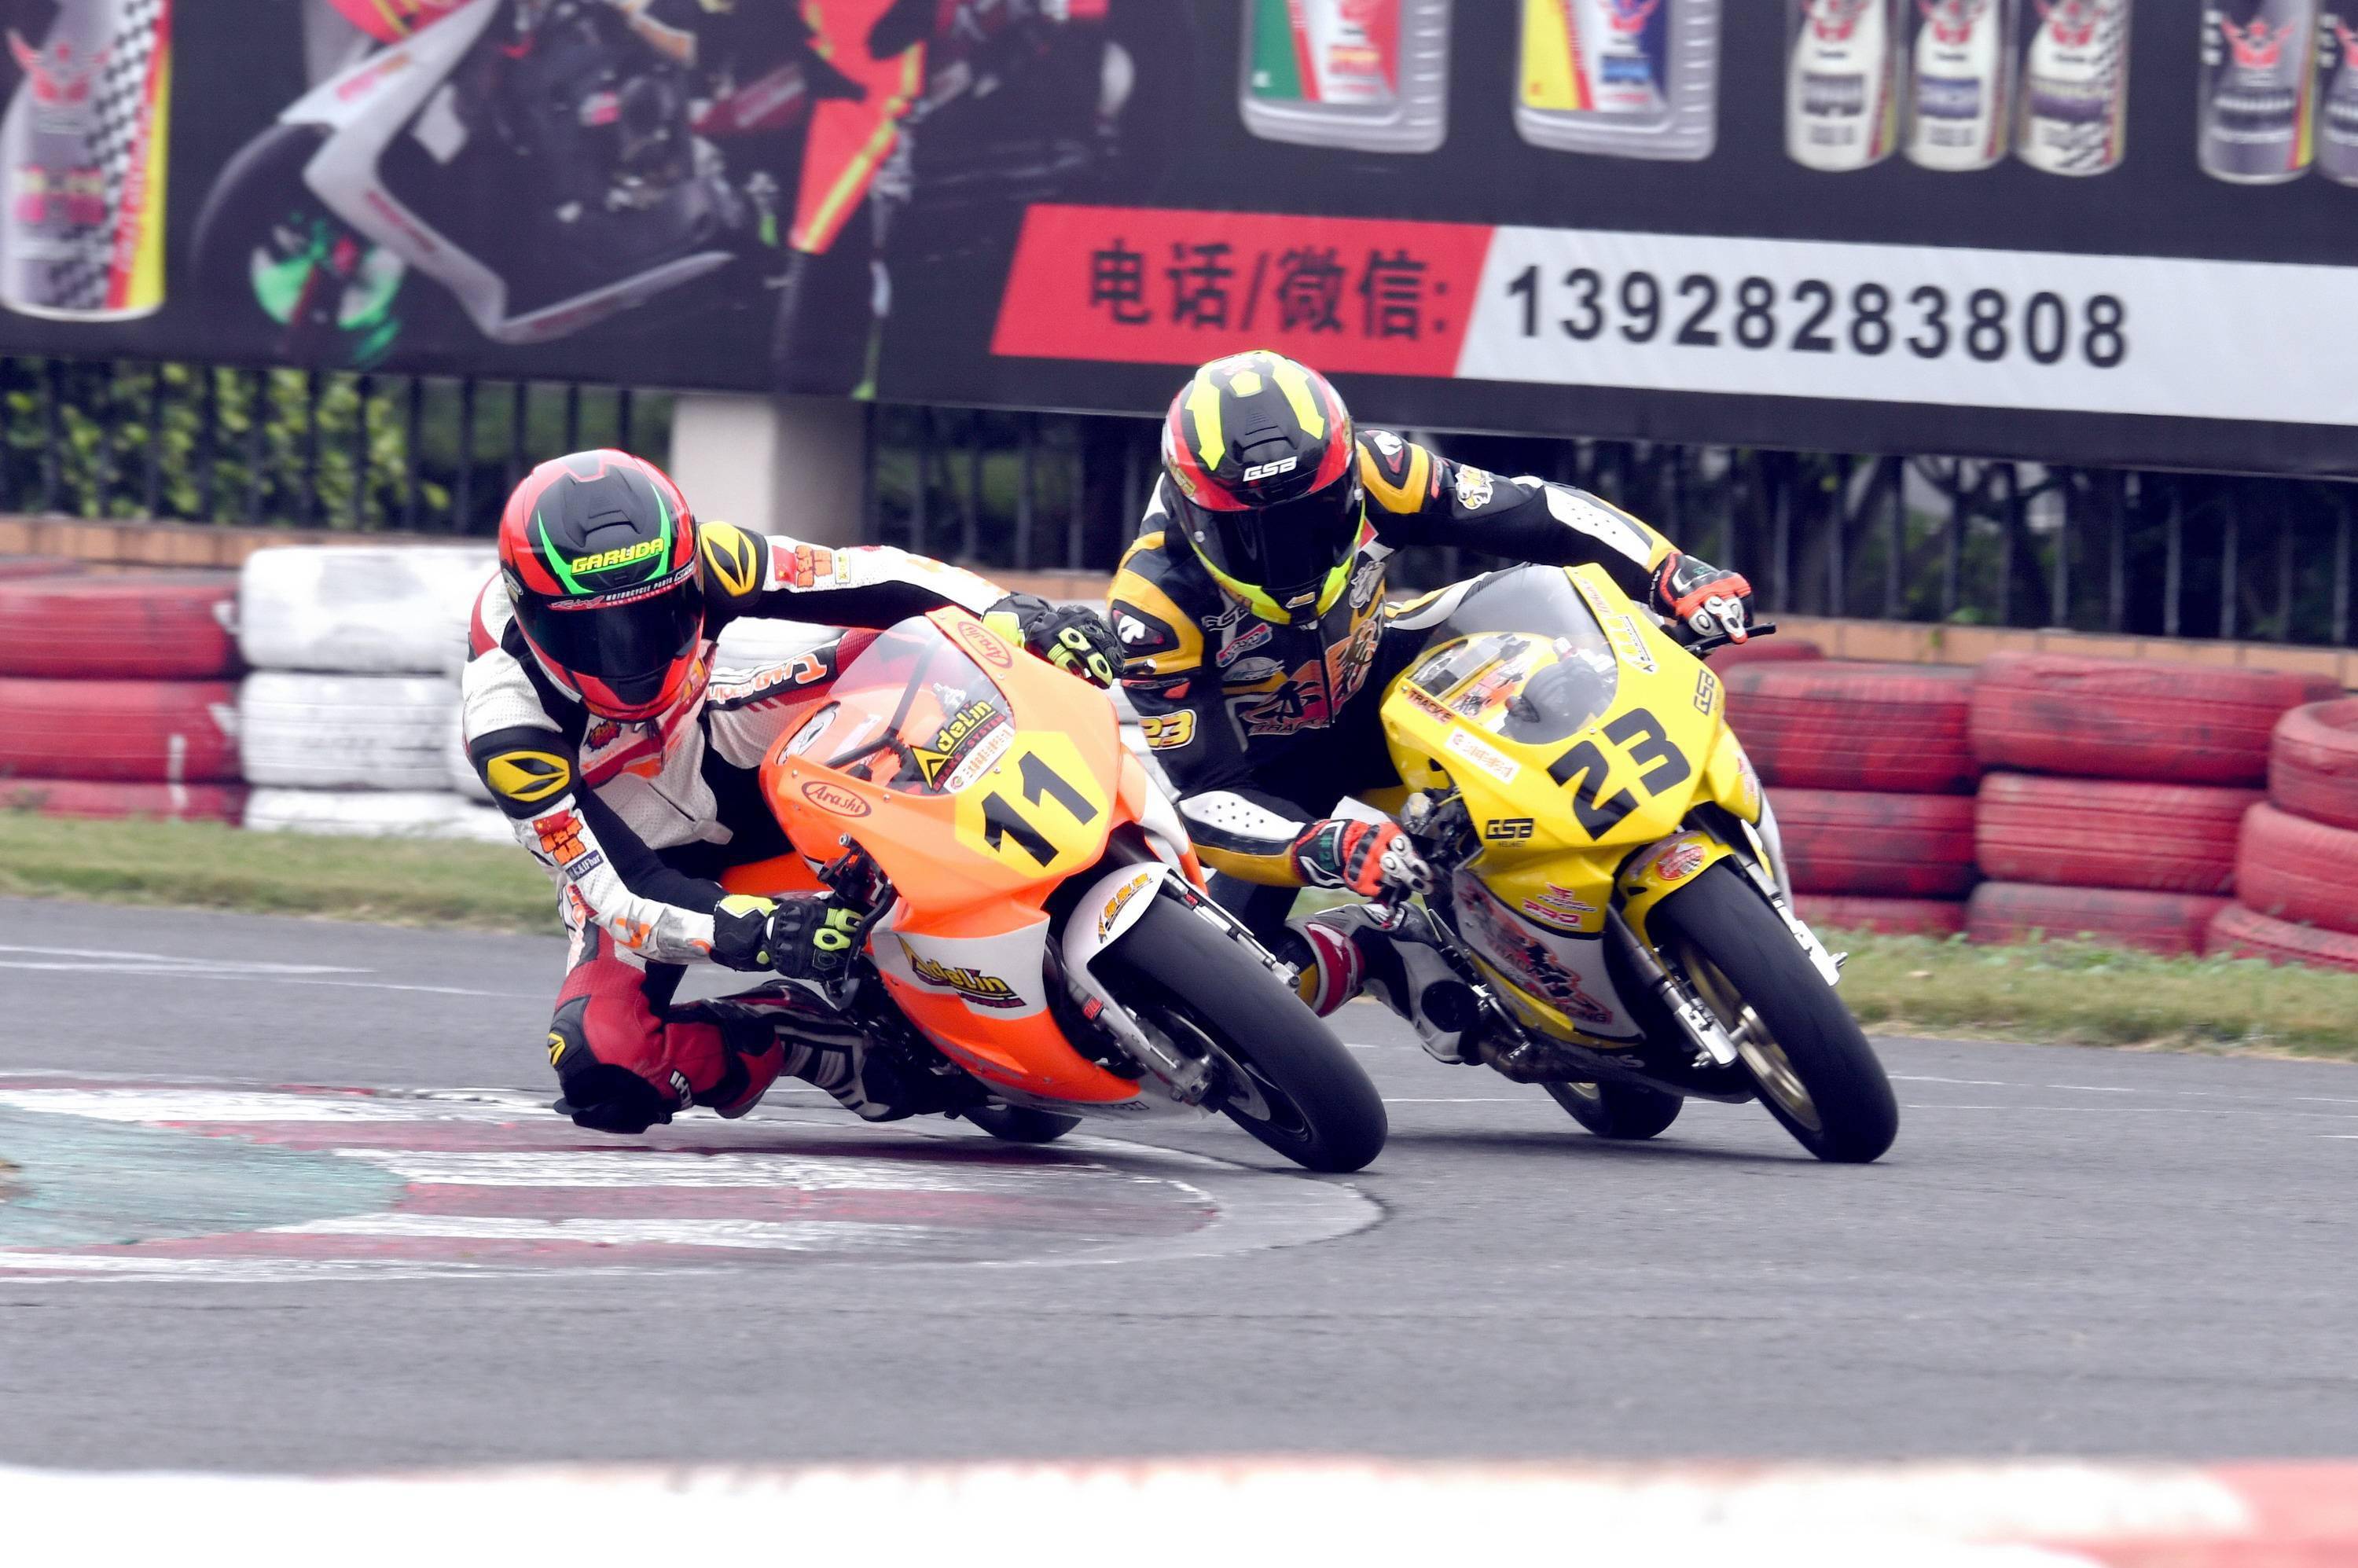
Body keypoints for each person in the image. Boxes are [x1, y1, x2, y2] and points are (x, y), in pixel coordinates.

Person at [1109, 350, 1754, 1064]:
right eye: (1254, 534)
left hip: (1381, 675)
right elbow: (1204, 796)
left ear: (1346, 476)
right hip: (1269, 770)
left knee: (1528, 604)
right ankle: (1379, 953)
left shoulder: (1383, 468)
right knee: (1215, 1011)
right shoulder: (1152, 606)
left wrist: (1671, 570)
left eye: (1314, 516)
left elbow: (1537, 510)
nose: (1293, 553)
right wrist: (1320, 845)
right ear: (1197, 517)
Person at [465, 448, 1119, 1135]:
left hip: (719, 742)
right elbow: (616, 889)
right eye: (593, 634)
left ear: (685, 573)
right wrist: (759, 930)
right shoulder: (507, 726)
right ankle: (801, 1038)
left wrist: (1011, 613)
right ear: (531, 615)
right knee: (604, 1057)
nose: (632, 653)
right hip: (636, 852)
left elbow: (864, 573)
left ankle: (1027, 824)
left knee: (909, 645)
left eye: (658, 615)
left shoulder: (710, 556)